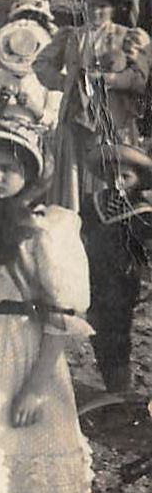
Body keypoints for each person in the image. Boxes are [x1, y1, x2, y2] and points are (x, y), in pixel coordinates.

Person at [0, 121, 94, 493]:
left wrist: (36, 388)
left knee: (17, 462)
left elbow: (62, 316)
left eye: (7, 169)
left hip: (22, 348)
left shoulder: (48, 226)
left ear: (31, 172)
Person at [44, 0, 140, 210]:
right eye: (91, 5)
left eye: (102, 7)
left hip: (110, 119)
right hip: (75, 116)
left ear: (114, 8)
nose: (95, 12)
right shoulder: (72, 36)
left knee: (104, 174)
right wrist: (65, 83)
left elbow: (140, 78)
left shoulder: (127, 37)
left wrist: (112, 80)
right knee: (72, 174)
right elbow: (42, 65)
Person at [82, 143, 152, 394]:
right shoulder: (95, 203)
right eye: (113, 175)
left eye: (126, 176)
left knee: (117, 332)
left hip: (121, 284)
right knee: (96, 331)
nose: (118, 182)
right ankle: (111, 384)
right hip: (94, 278)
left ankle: (121, 388)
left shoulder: (143, 214)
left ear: (139, 179)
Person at [0, 16, 60, 130]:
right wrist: (0, 106)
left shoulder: (47, 79)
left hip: (31, 132)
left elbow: (54, 120)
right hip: (0, 127)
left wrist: (32, 107)